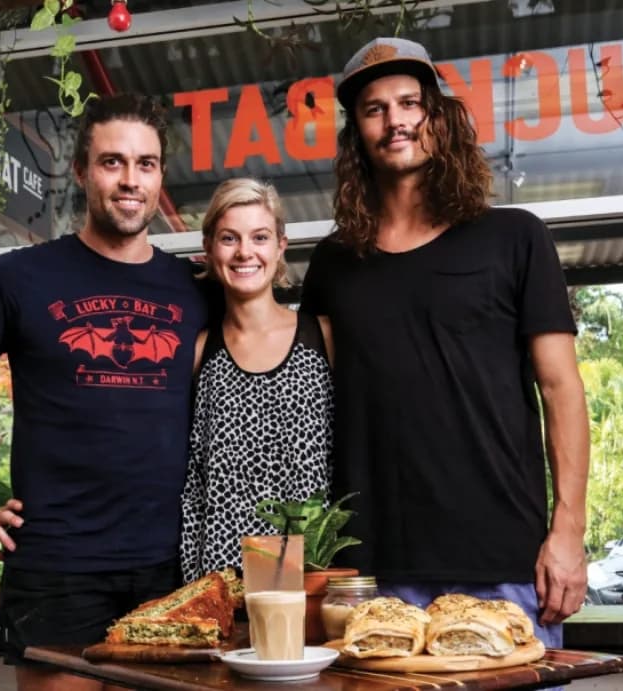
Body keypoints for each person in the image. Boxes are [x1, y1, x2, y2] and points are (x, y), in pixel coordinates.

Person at [300, 37, 590, 648]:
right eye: (374, 108)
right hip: (374, 575)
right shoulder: (334, 261)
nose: (395, 119)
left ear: (438, 115)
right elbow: (307, 393)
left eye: (410, 102)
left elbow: (562, 389)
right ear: (356, 132)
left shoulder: (514, 238)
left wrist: (568, 531)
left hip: (502, 564)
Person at [0, 93, 207, 690]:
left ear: (160, 177)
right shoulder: (18, 278)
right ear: (80, 170)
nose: (130, 180)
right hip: (57, 565)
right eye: (112, 162)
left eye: (145, 164)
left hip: (168, 565)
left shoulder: (194, 287)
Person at [179, 178, 335, 582]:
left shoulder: (322, 336)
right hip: (220, 575)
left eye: (260, 237)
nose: (245, 251)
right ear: (210, 248)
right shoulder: (199, 352)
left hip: (309, 574)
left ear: (280, 246)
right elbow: (192, 480)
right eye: (229, 238)